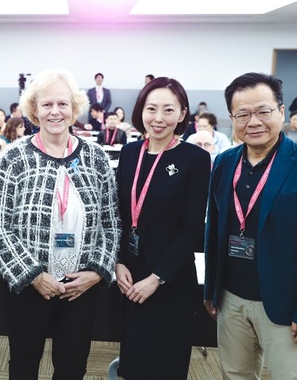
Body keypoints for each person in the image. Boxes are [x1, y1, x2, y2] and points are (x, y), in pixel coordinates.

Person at [204, 72, 297, 379]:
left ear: (282, 111)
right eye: (242, 114)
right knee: (235, 374)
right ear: (232, 118)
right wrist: (212, 288)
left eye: (263, 111)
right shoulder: (224, 163)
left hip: (287, 305)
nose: (253, 122)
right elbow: (214, 229)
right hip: (232, 298)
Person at [0, 69, 118, 379]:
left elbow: (111, 225)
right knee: (24, 365)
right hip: (30, 285)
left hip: (80, 286)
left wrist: (96, 272)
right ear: (34, 109)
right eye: (46, 105)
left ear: (74, 108)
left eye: (62, 103)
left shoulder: (97, 158)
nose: (55, 112)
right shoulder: (14, 157)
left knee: (72, 368)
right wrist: (33, 275)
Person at [114, 77, 210, 379]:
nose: (158, 118)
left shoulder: (196, 159)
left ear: (182, 114)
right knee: (133, 360)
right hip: (130, 273)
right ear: (141, 110)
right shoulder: (129, 153)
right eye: (151, 108)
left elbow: (192, 228)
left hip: (171, 277)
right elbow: (117, 214)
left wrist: (156, 279)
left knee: (165, 363)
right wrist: (117, 262)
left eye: (168, 110)